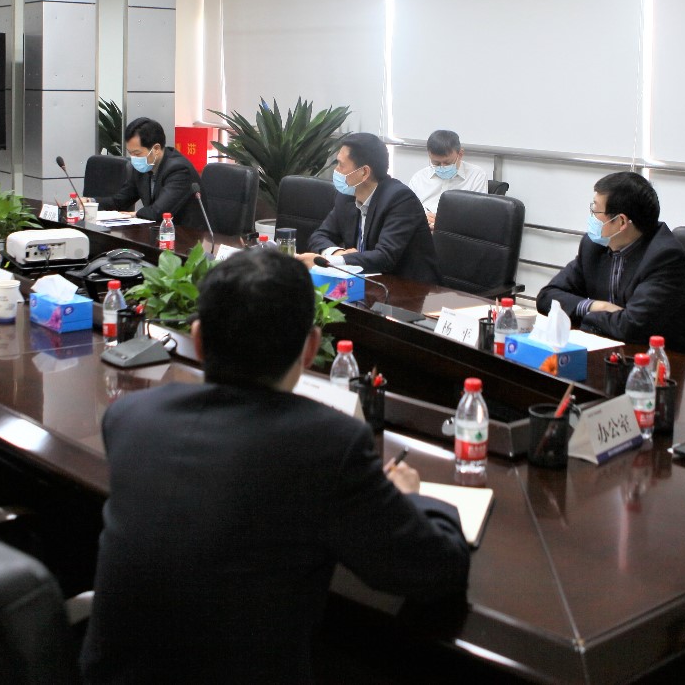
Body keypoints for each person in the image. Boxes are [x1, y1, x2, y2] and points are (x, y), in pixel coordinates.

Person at [80, 247, 469, 684]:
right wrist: (415, 499)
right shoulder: (329, 446)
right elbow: (434, 571)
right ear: (311, 349)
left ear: (198, 339)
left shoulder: (129, 416)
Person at [536, 171, 685, 357]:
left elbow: (631, 326)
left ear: (621, 221)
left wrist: (583, 314)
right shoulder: (593, 247)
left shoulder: (664, 257)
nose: (592, 218)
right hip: (613, 352)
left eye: (595, 211)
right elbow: (547, 297)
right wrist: (597, 306)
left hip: (666, 361)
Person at [298, 131, 440, 284]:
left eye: (341, 165)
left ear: (364, 172)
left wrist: (332, 260)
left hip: (412, 289)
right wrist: (337, 253)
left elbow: (385, 257)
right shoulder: (346, 197)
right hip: (367, 284)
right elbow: (319, 236)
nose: (336, 170)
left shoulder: (400, 199)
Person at [103, 116, 204, 228]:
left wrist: (134, 214)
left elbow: (158, 212)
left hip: (187, 234)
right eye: (130, 153)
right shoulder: (143, 167)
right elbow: (119, 201)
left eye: (137, 153)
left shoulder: (179, 169)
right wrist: (91, 203)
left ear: (156, 149)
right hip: (158, 231)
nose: (133, 158)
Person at [406, 128, 490, 228]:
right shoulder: (419, 178)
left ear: (460, 154)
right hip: (424, 231)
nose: (442, 167)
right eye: (436, 163)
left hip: (458, 232)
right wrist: (421, 218)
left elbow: (478, 215)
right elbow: (407, 212)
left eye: (447, 163)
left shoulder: (477, 175)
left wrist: (445, 222)